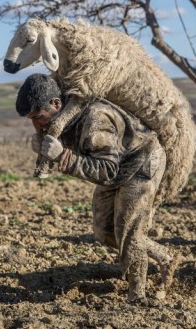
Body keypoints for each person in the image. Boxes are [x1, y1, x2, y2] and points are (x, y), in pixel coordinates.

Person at [16, 73, 177, 304]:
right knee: (104, 230)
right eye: (31, 119)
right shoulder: (60, 119)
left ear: (56, 104)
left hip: (142, 161)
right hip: (116, 165)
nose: (36, 125)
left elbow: (107, 171)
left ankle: (137, 295)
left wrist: (62, 157)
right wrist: (47, 149)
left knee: (128, 230)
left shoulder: (95, 119)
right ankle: (165, 258)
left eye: (38, 117)